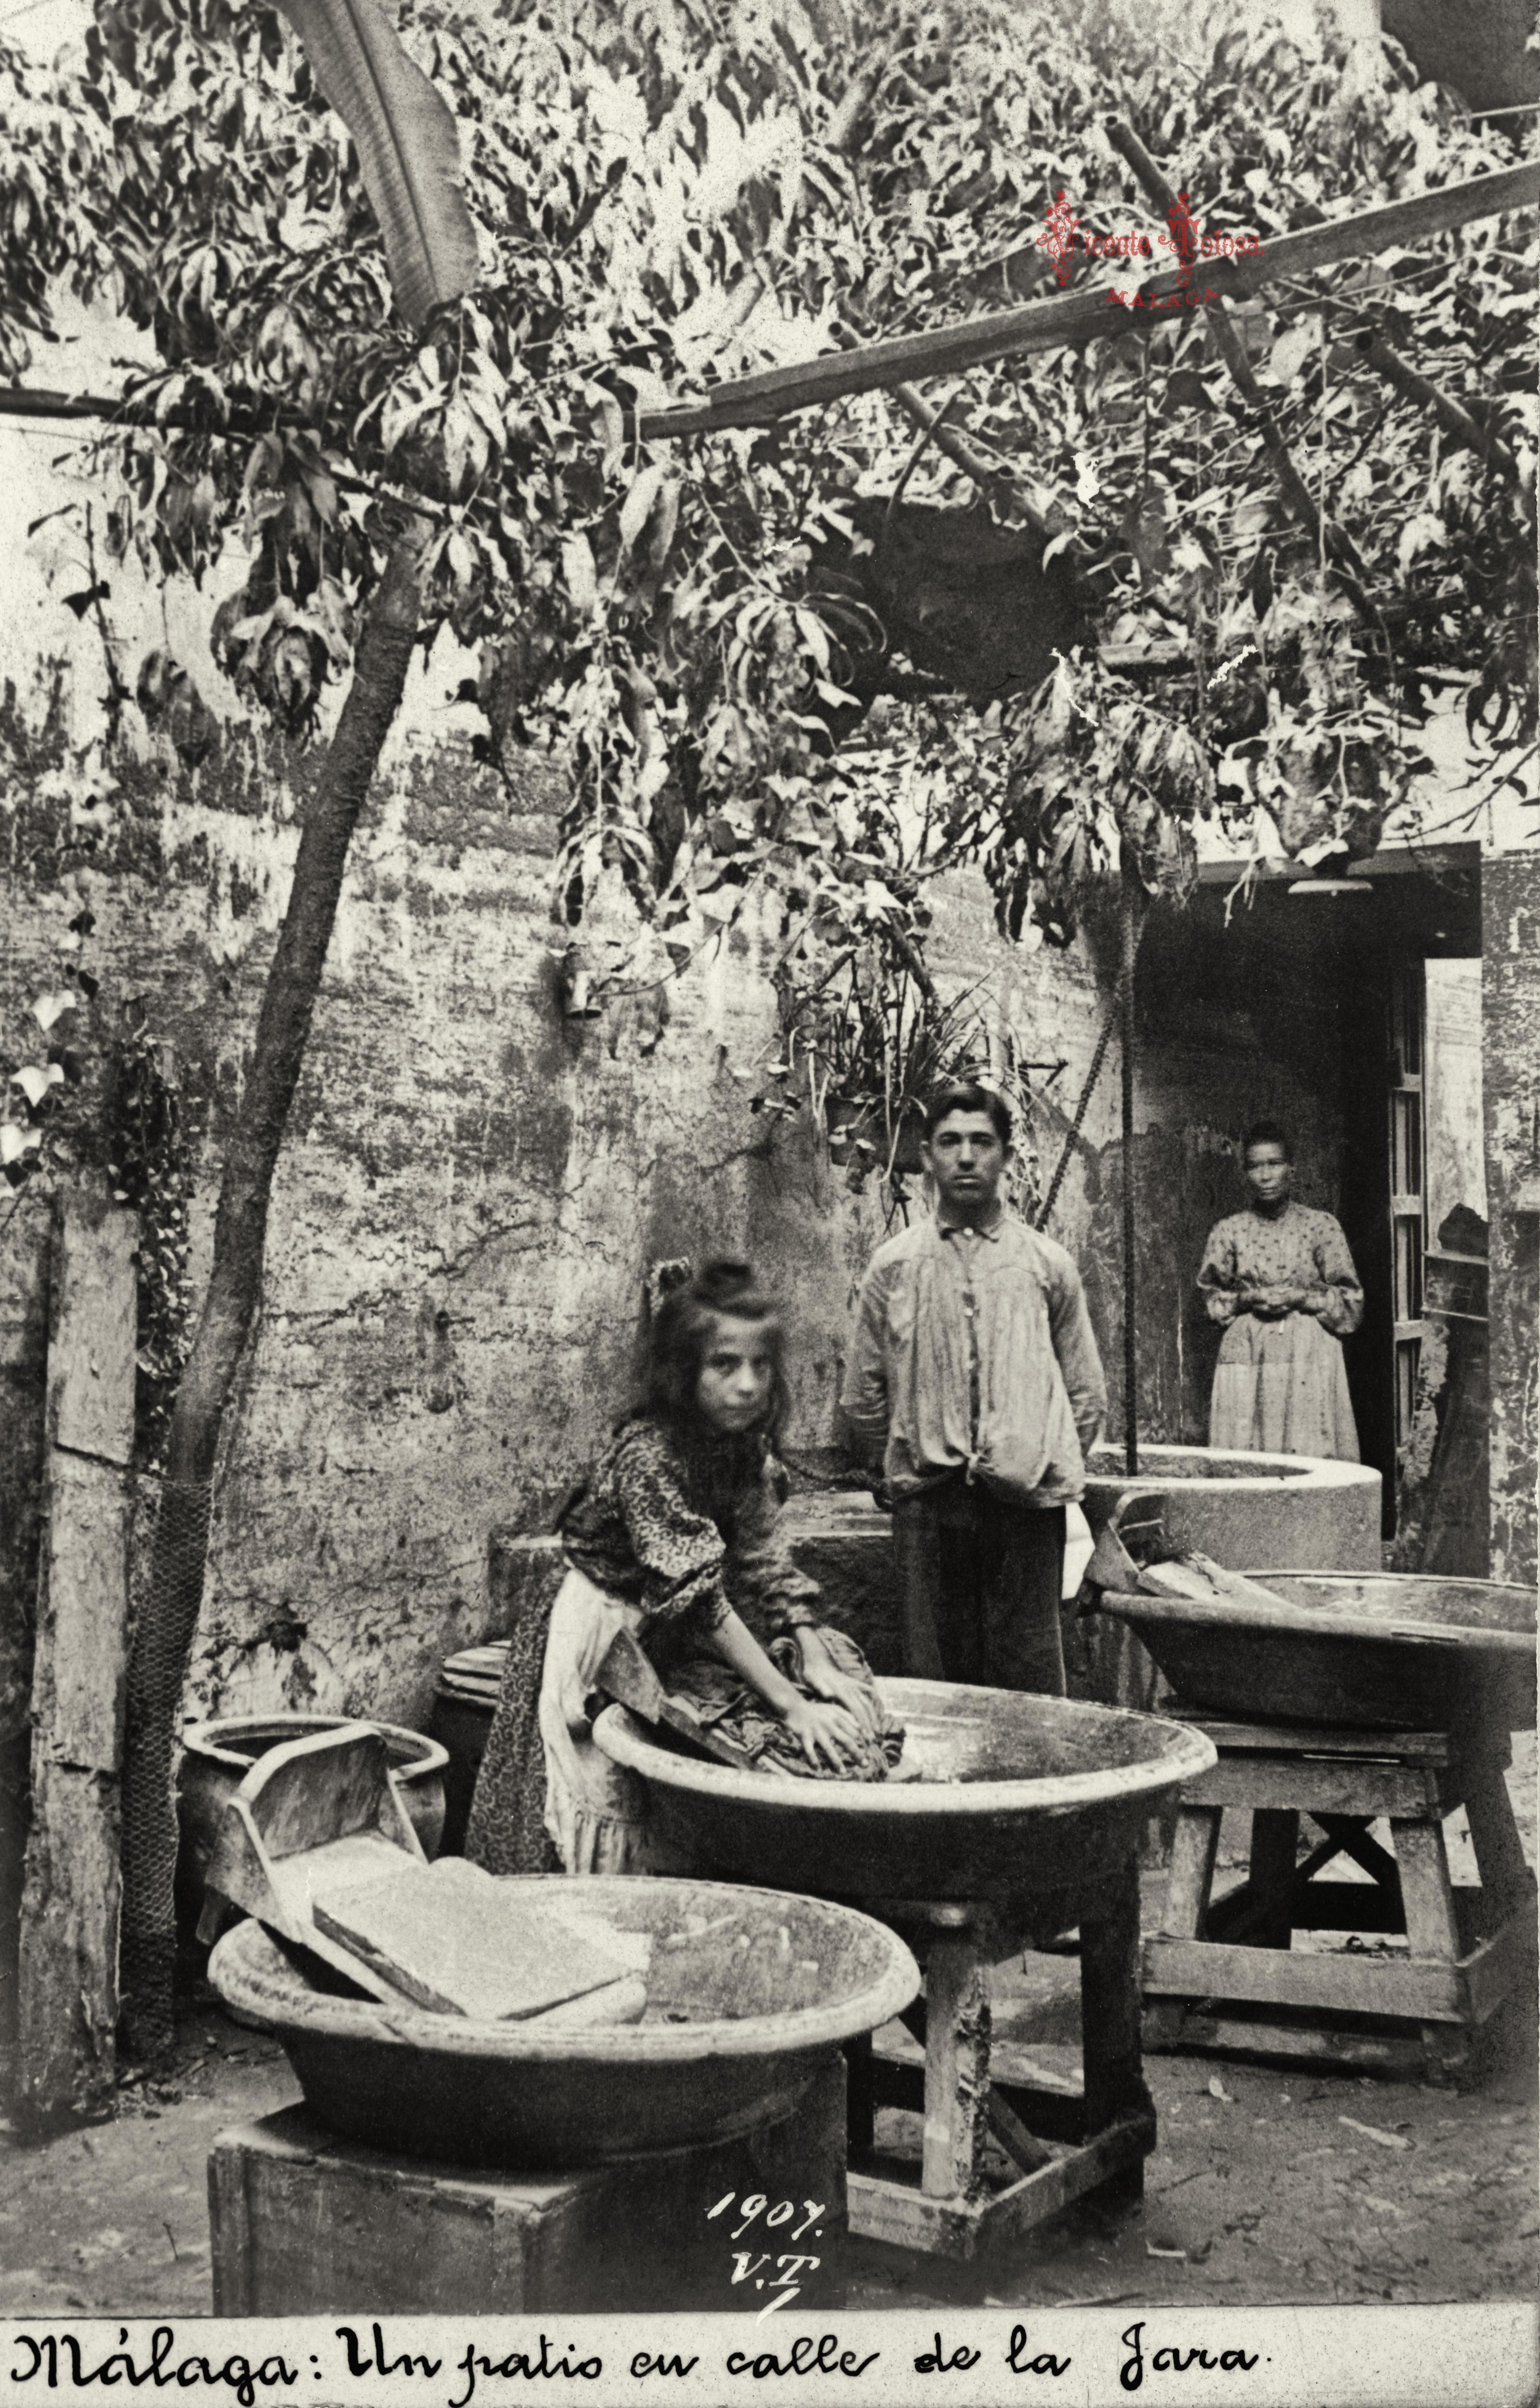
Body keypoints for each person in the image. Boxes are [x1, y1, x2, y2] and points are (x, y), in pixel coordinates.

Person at [465, 1258, 900, 1878]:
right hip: (599, 1627)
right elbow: (700, 1599)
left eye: (761, 1365)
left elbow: (762, 1556)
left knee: (664, 1800)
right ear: (683, 1370)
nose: (747, 1385)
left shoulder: (744, 1448)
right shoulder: (650, 1455)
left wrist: (814, 1653)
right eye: (725, 1364)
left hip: (662, 1629)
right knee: (593, 1788)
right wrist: (792, 1707)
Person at [841, 1081, 1107, 1697]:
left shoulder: (1047, 1265)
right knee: (937, 1685)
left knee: (1029, 1677)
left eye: (982, 1142)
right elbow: (862, 1397)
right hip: (929, 1509)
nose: (966, 1157)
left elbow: (1085, 1396)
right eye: (950, 1141)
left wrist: (1030, 1458)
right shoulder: (895, 1265)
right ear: (927, 1155)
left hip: (1026, 1511)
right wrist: (908, 1463)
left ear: (1008, 1156)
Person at [1197, 1120, 1362, 1461]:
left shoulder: (1321, 1226)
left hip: (1306, 1355)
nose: (1266, 1176)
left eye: (1274, 1164)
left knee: (1310, 1451)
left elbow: (1351, 1306)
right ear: (1245, 1173)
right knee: (1249, 1454)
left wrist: (1301, 1297)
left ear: (1291, 1169)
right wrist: (1247, 1298)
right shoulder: (1229, 1230)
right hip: (1249, 1357)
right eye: (1255, 1166)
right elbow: (1211, 1301)